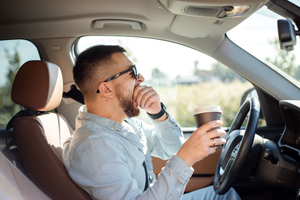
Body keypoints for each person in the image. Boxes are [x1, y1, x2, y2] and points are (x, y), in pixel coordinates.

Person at [62, 45, 241, 200]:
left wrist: (158, 114)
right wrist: (186, 159)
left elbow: (171, 148)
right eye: (132, 72)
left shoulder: (124, 125)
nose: (141, 78)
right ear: (106, 88)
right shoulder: (95, 145)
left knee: (226, 194)